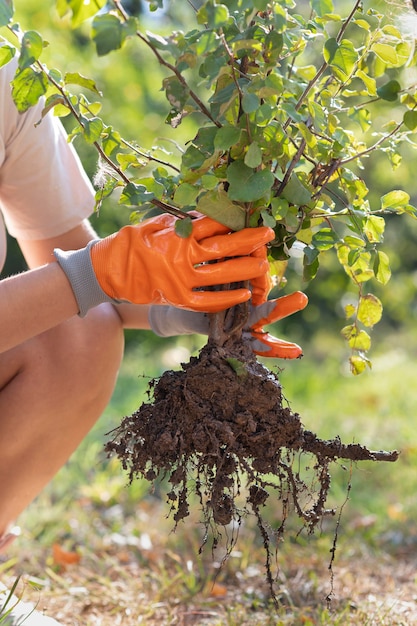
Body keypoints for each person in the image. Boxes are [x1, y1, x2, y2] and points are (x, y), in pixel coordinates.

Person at [0, 52, 307, 618]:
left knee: (82, 334)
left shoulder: (5, 80)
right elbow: (87, 274)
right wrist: (101, 270)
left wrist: (187, 302)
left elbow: (75, 280)